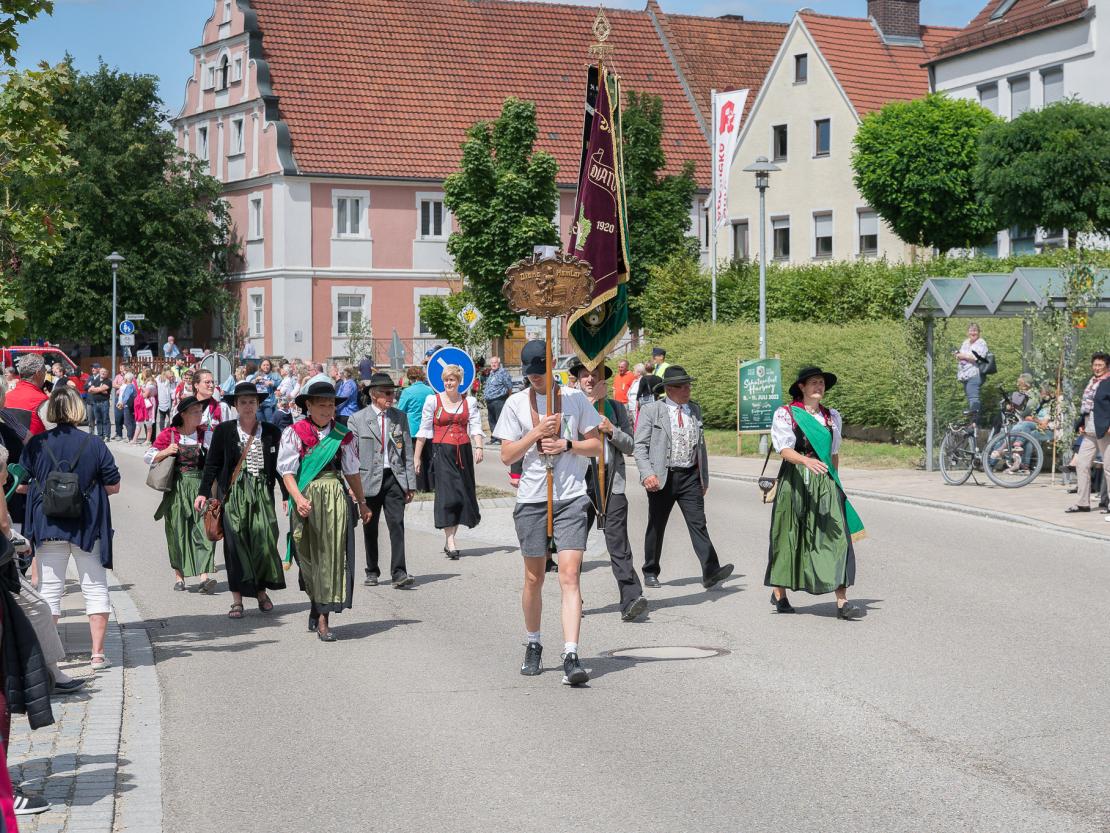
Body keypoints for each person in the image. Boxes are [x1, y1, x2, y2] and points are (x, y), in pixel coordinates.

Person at [493, 339, 602, 686]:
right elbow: (507, 456)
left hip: (571, 496)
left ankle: (571, 653)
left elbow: (596, 445)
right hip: (533, 498)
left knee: (569, 575)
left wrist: (567, 444)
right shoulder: (514, 403)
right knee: (534, 578)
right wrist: (536, 433)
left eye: (540, 373)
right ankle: (534, 642)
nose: (535, 380)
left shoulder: (574, 400)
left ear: (551, 367)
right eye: (529, 375)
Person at [21, 386, 120, 670]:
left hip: (48, 524)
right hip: (87, 526)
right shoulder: (94, 444)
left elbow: (23, 484)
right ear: (79, 409)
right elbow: (113, 484)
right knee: (95, 586)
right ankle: (98, 654)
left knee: (50, 589)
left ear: (51, 411)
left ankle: (51, 658)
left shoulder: (37, 444)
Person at [766, 367, 865, 619]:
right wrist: (806, 461)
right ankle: (780, 593)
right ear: (802, 387)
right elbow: (784, 450)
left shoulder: (831, 417)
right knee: (788, 536)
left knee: (836, 538)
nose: (819, 387)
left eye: (821, 383)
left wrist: (836, 481)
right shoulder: (786, 414)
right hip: (795, 481)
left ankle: (842, 601)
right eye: (814, 383)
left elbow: (833, 454)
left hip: (825, 483)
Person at [279, 381, 371, 642]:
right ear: (308, 405)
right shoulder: (294, 433)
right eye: (321, 404)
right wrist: (297, 499)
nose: (327, 409)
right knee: (306, 555)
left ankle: (324, 617)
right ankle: (315, 600)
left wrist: (362, 502)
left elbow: (352, 472)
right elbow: (287, 472)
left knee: (330, 556)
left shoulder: (342, 435)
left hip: (334, 498)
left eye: (331, 404)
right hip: (306, 497)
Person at [633, 366, 733, 591]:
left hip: (689, 476)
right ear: (668, 389)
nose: (687, 389)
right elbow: (639, 445)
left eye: (688, 385)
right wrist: (647, 473)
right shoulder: (652, 410)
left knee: (699, 524)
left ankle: (710, 571)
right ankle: (650, 570)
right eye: (682, 386)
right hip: (662, 477)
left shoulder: (694, 410)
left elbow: (701, 447)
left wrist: (703, 478)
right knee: (657, 526)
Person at [196, 383, 286, 619]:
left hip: (262, 497)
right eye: (243, 402)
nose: (248, 406)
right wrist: (204, 492)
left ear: (258, 404)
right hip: (234, 495)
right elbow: (212, 464)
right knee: (235, 547)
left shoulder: (271, 432)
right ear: (235, 405)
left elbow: (280, 468)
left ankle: (261, 593)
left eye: (252, 402)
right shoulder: (224, 431)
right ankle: (237, 600)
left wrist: (288, 495)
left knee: (263, 544)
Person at [573, 361, 647, 622]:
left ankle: (631, 599)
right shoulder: (569, 407)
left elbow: (631, 446)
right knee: (574, 546)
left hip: (611, 482)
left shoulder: (615, 408)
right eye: (585, 376)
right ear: (578, 380)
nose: (590, 380)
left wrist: (611, 430)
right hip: (579, 484)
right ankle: (573, 598)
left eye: (595, 376)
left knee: (618, 543)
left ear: (604, 381)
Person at [351, 373, 417, 587]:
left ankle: (399, 572)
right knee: (370, 527)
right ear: (373, 394)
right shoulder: (358, 419)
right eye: (387, 393)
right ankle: (372, 570)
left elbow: (407, 450)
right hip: (368, 480)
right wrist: (353, 487)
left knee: (397, 524)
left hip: (394, 479)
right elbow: (351, 456)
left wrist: (410, 483)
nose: (392, 397)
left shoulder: (400, 417)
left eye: (393, 392)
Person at [146, 397, 217, 592]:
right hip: (177, 489)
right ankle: (180, 577)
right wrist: (166, 451)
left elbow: (215, 462)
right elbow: (148, 457)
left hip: (200, 487)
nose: (199, 415)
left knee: (204, 530)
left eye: (200, 411)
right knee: (177, 531)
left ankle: (204, 576)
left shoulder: (206, 435)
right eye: (195, 412)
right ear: (183, 415)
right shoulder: (170, 434)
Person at [415, 364, 483, 558]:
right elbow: (424, 430)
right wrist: (416, 457)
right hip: (442, 451)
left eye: (452, 380)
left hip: (463, 451)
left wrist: (479, 446)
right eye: (446, 380)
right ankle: (451, 541)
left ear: (459, 382)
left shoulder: (469, 401)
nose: (448, 383)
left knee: (462, 494)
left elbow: (476, 426)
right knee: (448, 495)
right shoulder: (433, 401)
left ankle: (450, 538)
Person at [1067, 352, 1110, 514]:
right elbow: (1087, 406)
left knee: (1108, 467)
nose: (1097, 368)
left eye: (1100, 365)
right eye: (1095, 365)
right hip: (1089, 429)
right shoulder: (1092, 381)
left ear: (1107, 366)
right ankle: (1083, 503)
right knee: (1082, 464)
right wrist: (1081, 424)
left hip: (1105, 430)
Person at [397, 366, 435, 492]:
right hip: (428, 428)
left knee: (414, 458)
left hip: (412, 429)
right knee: (428, 457)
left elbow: (400, 410)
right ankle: (431, 485)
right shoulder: (430, 390)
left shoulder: (407, 392)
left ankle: (419, 486)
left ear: (410, 377)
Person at [6, 354, 49, 436]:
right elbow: (54, 433)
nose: (45, 374)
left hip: (11, 447)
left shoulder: (6, 397)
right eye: (44, 371)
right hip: (35, 447)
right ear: (38, 373)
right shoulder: (42, 400)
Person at [954, 323, 988, 416]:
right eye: (971, 330)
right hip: (965, 374)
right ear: (967, 332)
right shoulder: (965, 342)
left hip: (975, 374)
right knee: (970, 398)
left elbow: (978, 358)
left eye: (975, 330)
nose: (973, 333)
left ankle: (975, 423)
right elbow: (960, 355)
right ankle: (973, 422)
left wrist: (963, 356)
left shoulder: (981, 343)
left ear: (979, 332)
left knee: (973, 398)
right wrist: (958, 355)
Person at [193, 368, 231, 446]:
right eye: (207, 382)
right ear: (196, 385)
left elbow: (228, 434)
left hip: (214, 455)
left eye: (212, 382)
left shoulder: (222, 408)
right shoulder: (186, 407)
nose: (212, 385)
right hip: (191, 454)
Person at [483, 356, 513, 445]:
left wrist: (509, 397)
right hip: (490, 401)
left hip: (499, 400)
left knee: (499, 420)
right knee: (491, 420)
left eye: (495, 362)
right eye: (492, 363)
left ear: (499, 363)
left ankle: (500, 439)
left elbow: (509, 386)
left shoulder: (503, 373)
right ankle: (494, 438)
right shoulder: (491, 373)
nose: (493, 364)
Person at [85, 365, 111, 441]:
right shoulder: (96, 380)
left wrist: (97, 389)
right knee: (98, 420)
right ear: (99, 372)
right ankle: (100, 435)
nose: (103, 373)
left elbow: (103, 389)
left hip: (104, 402)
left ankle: (107, 436)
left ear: (107, 373)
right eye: (102, 372)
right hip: (96, 402)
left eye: (104, 372)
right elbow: (89, 390)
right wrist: (100, 389)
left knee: (105, 419)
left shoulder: (108, 381)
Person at [251, 358, 281, 424]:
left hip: (269, 403)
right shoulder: (257, 374)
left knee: (269, 423)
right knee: (260, 424)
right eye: (264, 365)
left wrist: (272, 383)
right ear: (260, 366)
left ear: (270, 366)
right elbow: (249, 384)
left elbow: (281, 384)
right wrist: (256, 380)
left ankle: (270, 434)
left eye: (267, 365)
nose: (266, 367)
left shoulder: (275, 375)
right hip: (258, 403)